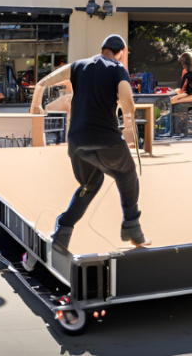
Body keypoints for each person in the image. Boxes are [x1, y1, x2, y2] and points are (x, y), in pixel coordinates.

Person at [32, 35, 148, 252]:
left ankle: (63, 232)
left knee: (90, 184)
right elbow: (127, 103)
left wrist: (38, 95)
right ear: (120, 52)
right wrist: (128, 120)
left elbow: (48, 80)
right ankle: (132, 227)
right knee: (127, 174)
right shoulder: (117, 68)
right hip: (106, 139)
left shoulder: (78, 66)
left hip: (77, 142)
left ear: (102, 48)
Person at [170, 51, 192, 136]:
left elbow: (183, 88)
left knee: (172, 100)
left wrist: (178, 92)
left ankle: (179, 126)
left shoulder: (187, 74)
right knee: (174, 99)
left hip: (191, 95)